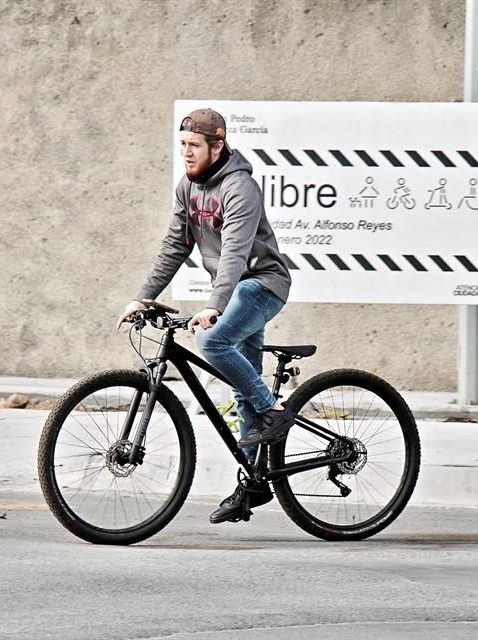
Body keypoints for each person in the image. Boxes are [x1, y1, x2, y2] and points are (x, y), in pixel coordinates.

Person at [117, 108, 293, 524]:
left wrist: (215, 305)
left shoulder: (240, 188)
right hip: (234, 291)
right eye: (182, 145)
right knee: (240, 390)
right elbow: (173, 248)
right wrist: (142, 298)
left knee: (212, 341)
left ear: (217, 146)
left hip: (261, 285)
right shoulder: (187, 189)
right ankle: (252, 484)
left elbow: (234, 251)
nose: (186, 153)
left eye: (194, 146)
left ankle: (274, 411)